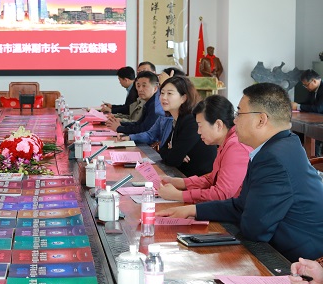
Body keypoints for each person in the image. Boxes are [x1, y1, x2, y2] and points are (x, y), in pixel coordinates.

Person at [158, 83, 323, 262]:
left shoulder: (273, 158)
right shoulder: (281, 145)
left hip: (296, 261)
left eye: (239, 113)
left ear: (261, 120)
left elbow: (254, 228)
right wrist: (193, 210)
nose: (234, 121)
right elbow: (241, 205)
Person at [157, 95, 252, 202]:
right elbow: (212, 178)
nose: (198, 132)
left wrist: (179, 195)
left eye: (200, 126)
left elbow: (221, 194)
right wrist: (179, 182)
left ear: (218, 125)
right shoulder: (226, 142)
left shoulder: (236, 147)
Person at [122, 76, 217, 177]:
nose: (164, 97)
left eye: (169, 93)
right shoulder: (177, 119)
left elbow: (172, 159)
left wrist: (173, 152)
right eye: (162, 93)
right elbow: (163, 150)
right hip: (180, 175)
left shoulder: (191, 121)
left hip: (197, 179)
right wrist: (173, 152)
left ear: (183, 98)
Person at [105, 71, 165, 135]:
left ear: (155, 89)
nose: (140, 89)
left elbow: (144, 129)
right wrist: (120, 124)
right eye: (138, 86)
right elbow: (139, 123)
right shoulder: (149, 102)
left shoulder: (156, 106)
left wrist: (119, 128)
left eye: (144, 86)